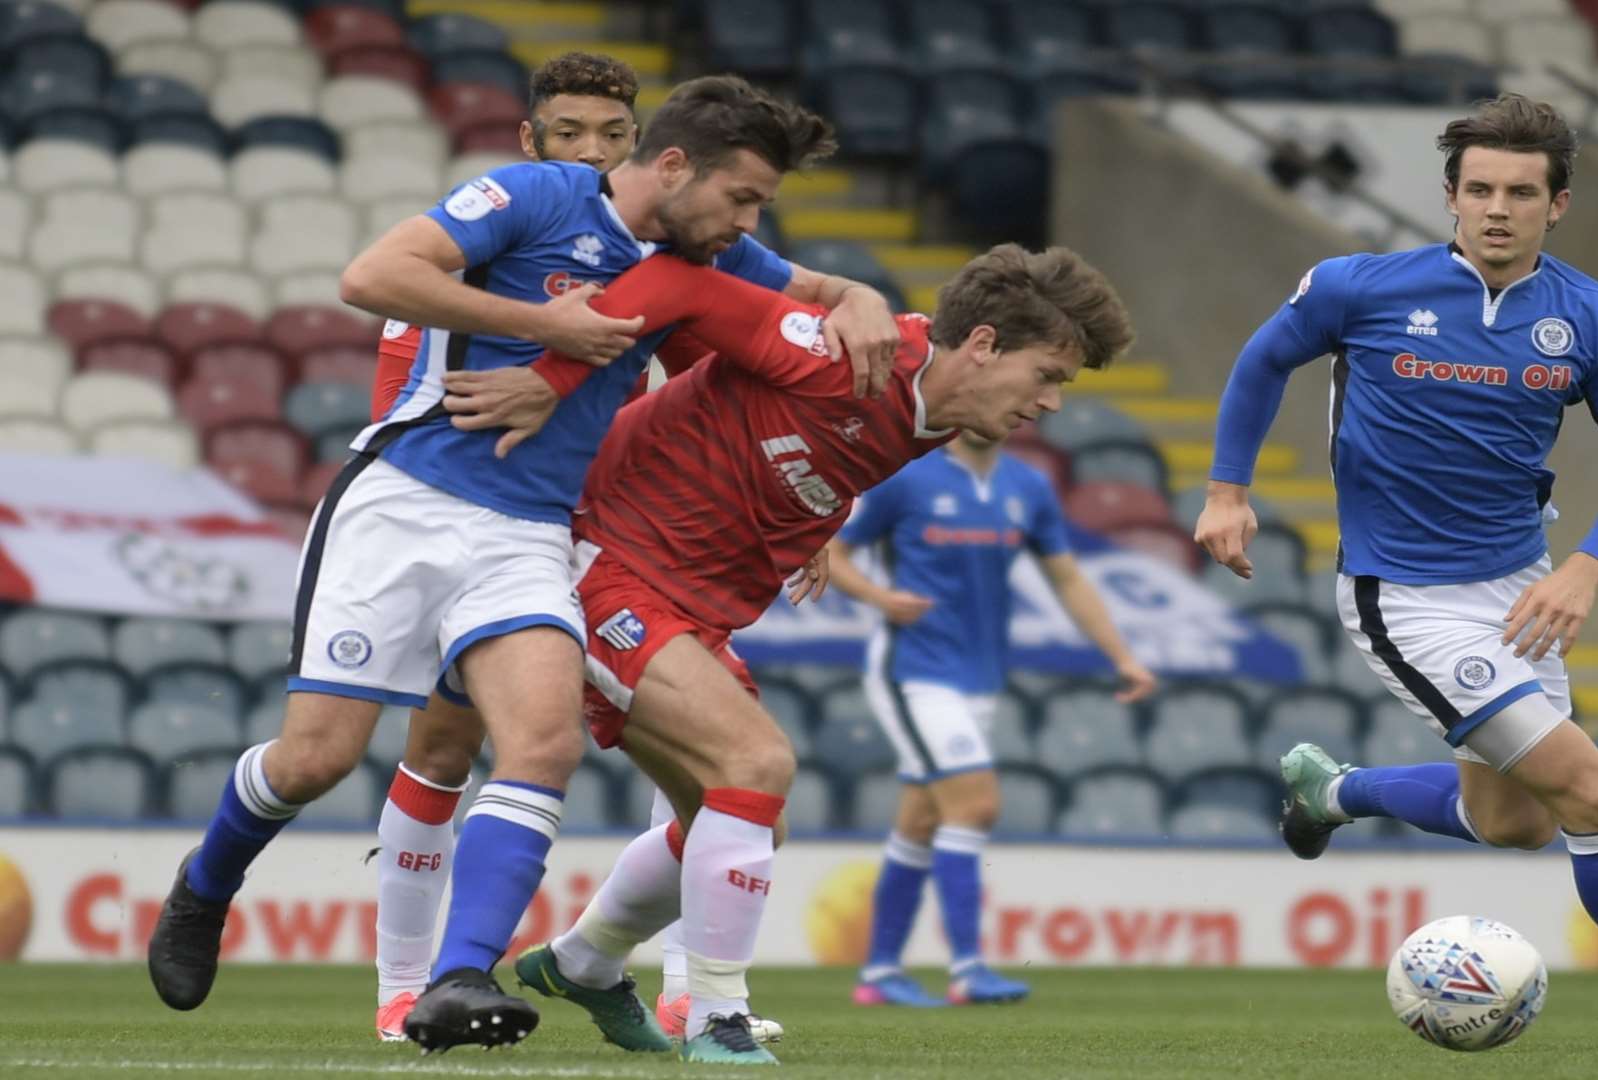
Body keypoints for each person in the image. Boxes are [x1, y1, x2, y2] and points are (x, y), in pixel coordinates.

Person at [146, 76, 900, 1056]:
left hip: (533, 531)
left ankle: (458, 979)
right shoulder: (539, 196)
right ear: (674, 167)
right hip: (405, 502)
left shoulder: (706, 252)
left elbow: (813, 290)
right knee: (317, 760)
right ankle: (206, 886)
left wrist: (866, 295)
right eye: (742, 197)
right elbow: (372, 276)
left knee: (542, 743)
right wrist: (554, 329)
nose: (748, 221)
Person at [1194, 93, 1598, 1056]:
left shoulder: (1587, 316)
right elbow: (1262, 360)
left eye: (1522, 192)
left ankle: (1334, 793)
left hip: (1519, 594)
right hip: (1403, 595)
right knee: (1594, 796)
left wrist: (1584, 567)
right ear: (1449, 196)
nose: (1498, 208)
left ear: (1556, 205)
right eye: (1479, 188)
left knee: (1517, 825)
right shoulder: (1358, 287)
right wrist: (1227, 489)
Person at [441, 242, 1134, 1064]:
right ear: (982, 345)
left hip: (686, 599)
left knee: (741, 822)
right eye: (1048, 375)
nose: (1052, 403)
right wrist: (552, 383)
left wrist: (810, 519)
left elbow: (755, 400)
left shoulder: (934, 407)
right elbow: (682, 284)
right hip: (604, 565)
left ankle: (584, 962)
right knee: (756, 762)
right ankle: (714, 1017)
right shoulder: (848, 352)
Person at [363, 48, 641, 1045]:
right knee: (436, 744)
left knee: (646, 742)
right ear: (530, 141)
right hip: (448, 517)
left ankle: (705, 990)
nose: (592, 150)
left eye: (614, 134)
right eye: (569, 131)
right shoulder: (472, 251)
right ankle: (405, 987)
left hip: (561, 530)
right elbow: (403, 396)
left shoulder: (644, 261)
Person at [823, 435, 1157, 1008]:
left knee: (922, 819)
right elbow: (831, 551)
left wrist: (1122, 656)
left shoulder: (1026, 486)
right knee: (976, 804)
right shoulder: (905, 477)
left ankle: (879, 974)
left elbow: (1067, 578)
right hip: (912, 668)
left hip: (978, 675)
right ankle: (968, 967)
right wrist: (879, 598)